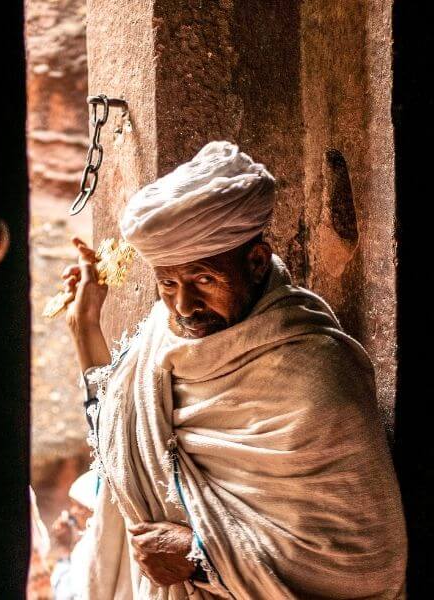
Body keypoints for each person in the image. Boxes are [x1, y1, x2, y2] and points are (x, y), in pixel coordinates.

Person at [60, 141, 407, 599]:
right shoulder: (160, 338)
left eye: (204, 279)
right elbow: (117, 442)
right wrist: (85, 329)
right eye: (167, 283)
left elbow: (363, 563)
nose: (183, 305)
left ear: (257, 261)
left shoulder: (316, 375)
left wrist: (201, 553)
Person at [50, 471, 100, 600]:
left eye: (79, 506)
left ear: (97, 509)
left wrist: (65, 549)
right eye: (72, 505)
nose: (72, 511)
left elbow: (64, 595)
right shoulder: (87, 542)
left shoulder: (90, 547)